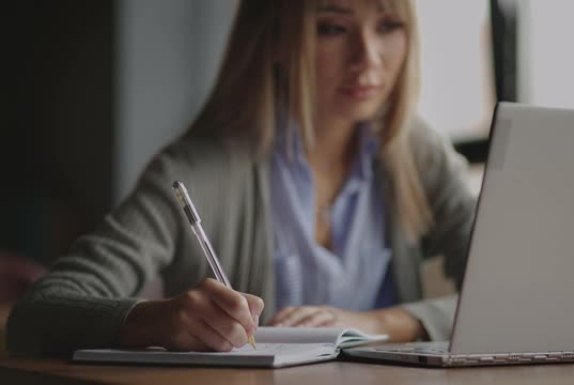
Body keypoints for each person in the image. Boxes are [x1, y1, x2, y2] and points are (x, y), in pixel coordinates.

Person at [7, 0, 476, 357]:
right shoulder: (194, 171)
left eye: (389, 25)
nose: (368, 58)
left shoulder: (417, 154)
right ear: (274, 37)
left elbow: (509, 297)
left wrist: (382, 322)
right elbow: (37, 315)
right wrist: (154, 321)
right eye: (333, 28)